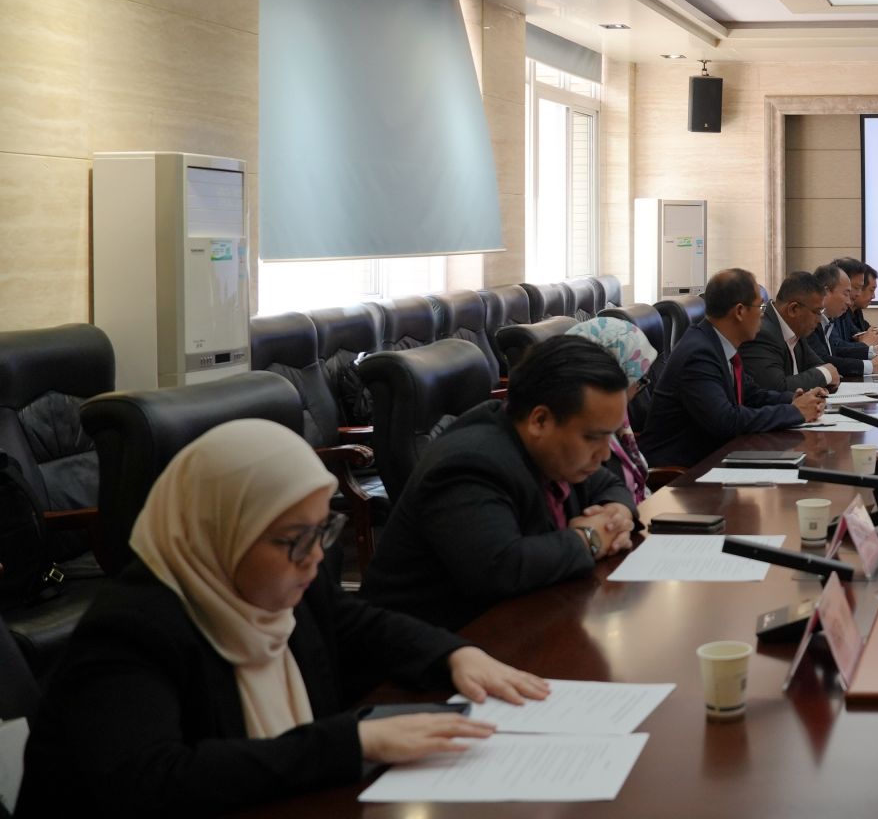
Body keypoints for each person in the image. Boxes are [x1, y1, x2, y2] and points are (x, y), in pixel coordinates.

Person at [21, 420, 548, 815]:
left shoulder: (287, 586)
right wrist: (354, 742)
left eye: (322, 531)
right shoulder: (128, 633)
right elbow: (154, 781)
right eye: (292, 539)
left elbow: (363, 625)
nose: (315, 556)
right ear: (220, 532)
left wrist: (456, 654)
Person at [363, 335, 641, 630]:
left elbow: (609, 486)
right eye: (594, 437)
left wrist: (616, 513)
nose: (605, 453)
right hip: (436, 643)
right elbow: (500, 569)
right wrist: (590, 539)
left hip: (530, 621)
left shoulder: (557, 450)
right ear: (540, 421)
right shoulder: (469, 463)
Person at [645, 267, 828, 467]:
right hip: (683, 470)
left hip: (718, 455)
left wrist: (793, 399)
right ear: (740, 311)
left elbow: (751, 395)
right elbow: (726, 421)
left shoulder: (718, 343)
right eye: (760, 307)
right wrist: (794, 412)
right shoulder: (699, 354)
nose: (763, 315)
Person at [567, 315, 661, 505]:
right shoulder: (582, 430)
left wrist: (623, 508)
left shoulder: (617, 421)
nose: (641, 389)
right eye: (640, 381)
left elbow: (613, 487)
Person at [744, 269, 840, 393]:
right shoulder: (762, 334)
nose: (819, 319)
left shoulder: (797, 330)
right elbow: (776, 387)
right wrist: (824, 375)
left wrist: (823, 375)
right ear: (793, 309)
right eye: (817, 311)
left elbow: (820, 366)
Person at [806, 262, 878, 380]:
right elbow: (823, 360)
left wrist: (872, 351)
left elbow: (835, 351)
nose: (849, 301)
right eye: (846, 293)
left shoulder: (828, 319)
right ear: (826, 292)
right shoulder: (809, 321)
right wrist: (871, 366)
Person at [828, 260, 878, 352]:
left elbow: (865, 335)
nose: (858, 293)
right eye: (856, 288)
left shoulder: (852, 312)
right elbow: (837, 350)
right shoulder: (827, 315)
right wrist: (865, 345)